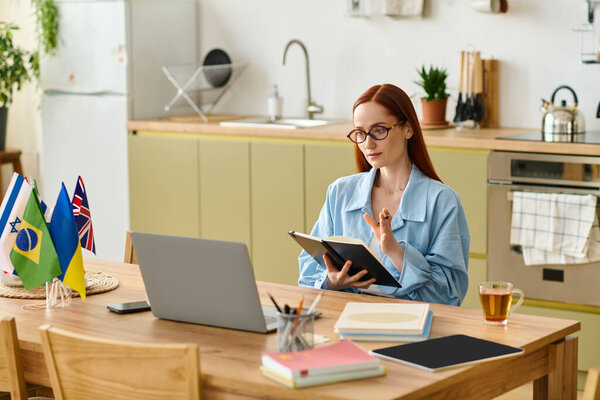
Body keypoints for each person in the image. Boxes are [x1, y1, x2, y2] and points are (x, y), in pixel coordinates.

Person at [298, 84, 469, 306]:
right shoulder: (340, 192)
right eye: (360, 133)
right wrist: (331, 282)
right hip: (346, 318)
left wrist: (396, 252)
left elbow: (449, 296)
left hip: (413, 324)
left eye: (379, 130)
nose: (368, 144)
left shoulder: (442, 201)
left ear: (407, 128)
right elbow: (307, 276)